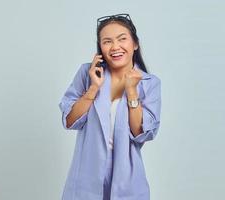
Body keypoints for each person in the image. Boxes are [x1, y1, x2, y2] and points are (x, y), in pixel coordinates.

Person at [59, 13, 161, 200]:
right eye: (107, 41)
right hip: (87, 173)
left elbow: (142, 134)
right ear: (100, 48)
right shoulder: (87, 73)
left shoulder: (149, 83)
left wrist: (131, 91)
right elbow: (69, 120)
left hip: (126, 176)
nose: (115, 47)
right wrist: (93, 88)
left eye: (122, 39)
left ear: (135, 44)